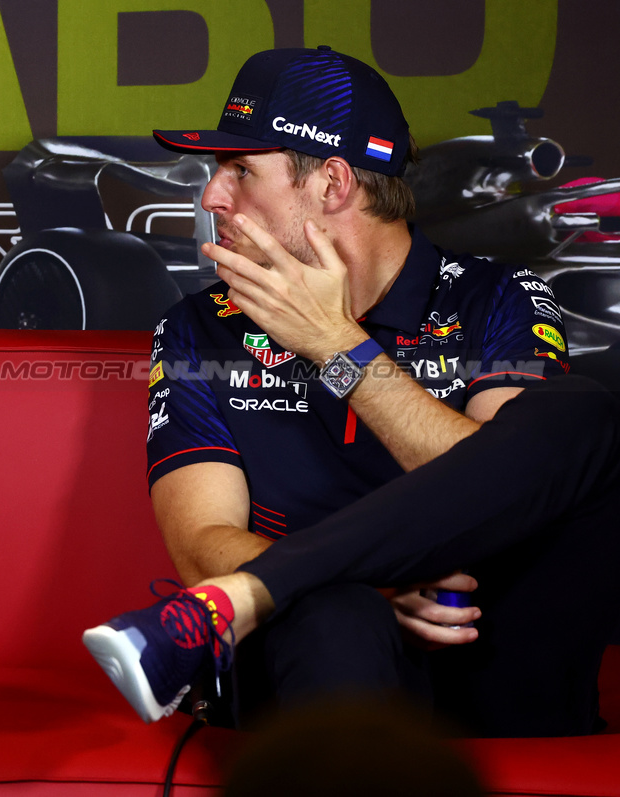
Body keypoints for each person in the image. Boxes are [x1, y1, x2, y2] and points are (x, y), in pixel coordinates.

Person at [82, 46, 620, 737]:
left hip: (490, 647)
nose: (213, 195)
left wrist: (339, 349)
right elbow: (200, 543)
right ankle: (285, 594)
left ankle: (256, 591)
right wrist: (371, 580)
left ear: (332, 183)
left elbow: (518, 495)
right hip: (315, 652)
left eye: (241, 169)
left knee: (586, 413)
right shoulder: (199, 328)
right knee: (337, 611)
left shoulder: (502, 297)